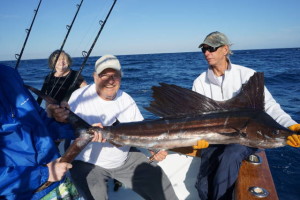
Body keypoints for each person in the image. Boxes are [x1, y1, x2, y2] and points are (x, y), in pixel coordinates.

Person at [192, 31, 300, 200]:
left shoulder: (247, 75)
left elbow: (270, 106)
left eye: (211, 48)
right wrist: (195, 138)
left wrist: (290, 124)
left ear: (225, 49)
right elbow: (195, 118)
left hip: (246, 137)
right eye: (204, 49)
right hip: (214, 138)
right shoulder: (199, 82)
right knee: (203, 186)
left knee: (230, 155)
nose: (207, 53)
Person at [66, 55, 179, 200]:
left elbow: (143, 133)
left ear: (121, 77)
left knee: (161, 184)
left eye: (115, 76)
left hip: (125, 159)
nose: (110, 81)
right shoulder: (79, 96)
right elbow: (66, 130)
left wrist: (154, 148)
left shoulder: (126, 99)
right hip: (87, 163)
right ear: (95, 77)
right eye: (104, 75)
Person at [0, 64, 82, 199]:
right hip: (24, 193)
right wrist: (44, 174)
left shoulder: (8, 73)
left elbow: (39, 119)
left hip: (57, 178)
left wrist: (75, 129)